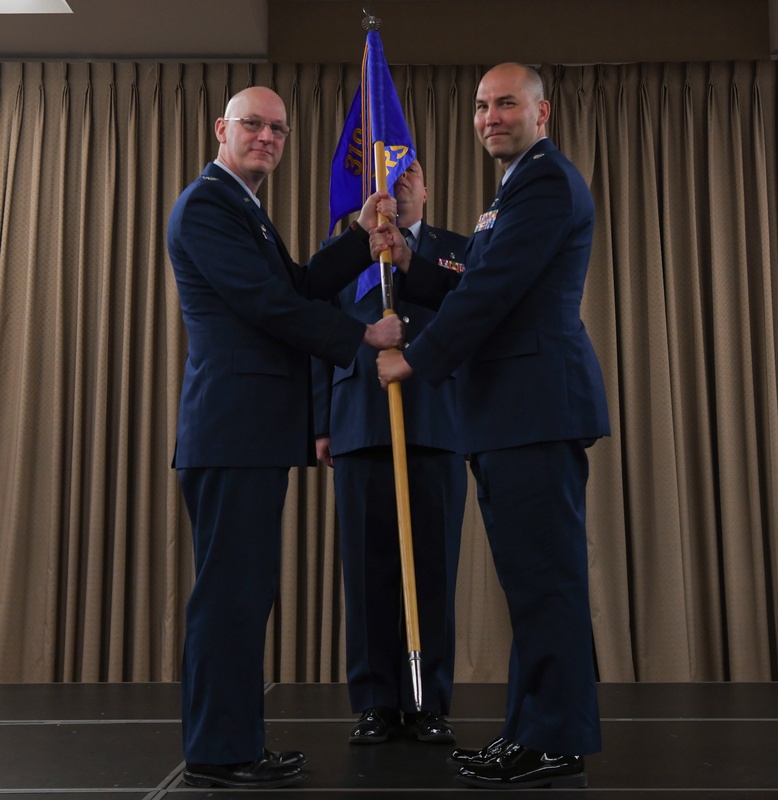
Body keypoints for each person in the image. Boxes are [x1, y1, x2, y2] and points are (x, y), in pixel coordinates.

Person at [372, 63, 610, 790]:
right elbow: (477, 270)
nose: (489, 117)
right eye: (480, 105)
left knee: (545, 582)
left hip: (533, 406)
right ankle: (531, 730)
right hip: (513, 411)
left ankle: (552, 739)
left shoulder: (543, 180)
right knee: (531, 581)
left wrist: (416, 356)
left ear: (543, 112)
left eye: (506, 102)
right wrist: (412, 256)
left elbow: (497, 290)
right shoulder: (514, 188)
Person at [167, 86, 403, 790]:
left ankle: (233, 743)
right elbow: (265, 304)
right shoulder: (208, 204)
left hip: (250, 434)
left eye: (278, 128)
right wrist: (362, 333)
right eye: (253, 125)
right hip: (231, 431)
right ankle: (218, 751)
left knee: (245, 593)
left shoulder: (243, 207)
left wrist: (359, 237)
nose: (267, 137)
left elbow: (297, 284)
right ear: (221, 129)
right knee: (231, 596)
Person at [312, 158, 468, 746]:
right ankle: (375, 700)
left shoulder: (458, 250)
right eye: (388, 176)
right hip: (356, 421)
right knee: (368, 570)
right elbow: (315, 336)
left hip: (436, 420)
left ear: (427, 187)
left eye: (409, 175)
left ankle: (428, 701)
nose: (398, 185)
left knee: (433, 570)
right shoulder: (343, 250)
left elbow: (472, 318)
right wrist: (321, 422)